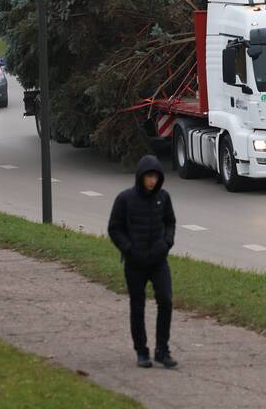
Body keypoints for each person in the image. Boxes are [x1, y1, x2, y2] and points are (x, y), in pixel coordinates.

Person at [107, 155, 178, 369]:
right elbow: (114, 228)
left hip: (158, 261)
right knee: (137, 305)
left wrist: (166, 244)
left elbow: (170, 223)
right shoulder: (125, 199)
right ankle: (141, 350)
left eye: (156, 177)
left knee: (165, 301)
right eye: (149, 176)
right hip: (135, 263)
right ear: (140, 177)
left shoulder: (163, 198)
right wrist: (128, 249)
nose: (152, 181)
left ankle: (162, 350)